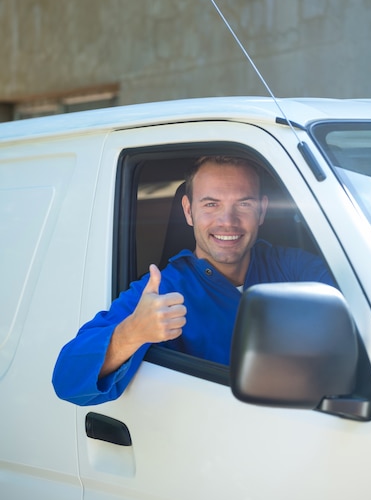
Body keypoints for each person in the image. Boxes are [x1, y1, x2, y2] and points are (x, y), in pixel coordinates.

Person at [52, 155, 334, 406]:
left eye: (243, 204)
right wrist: (133, 332)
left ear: (261, 210)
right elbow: (66, 380)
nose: (228, 221)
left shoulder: (295, 269)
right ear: (188, 211)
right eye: (211, 204)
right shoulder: (162, 290)